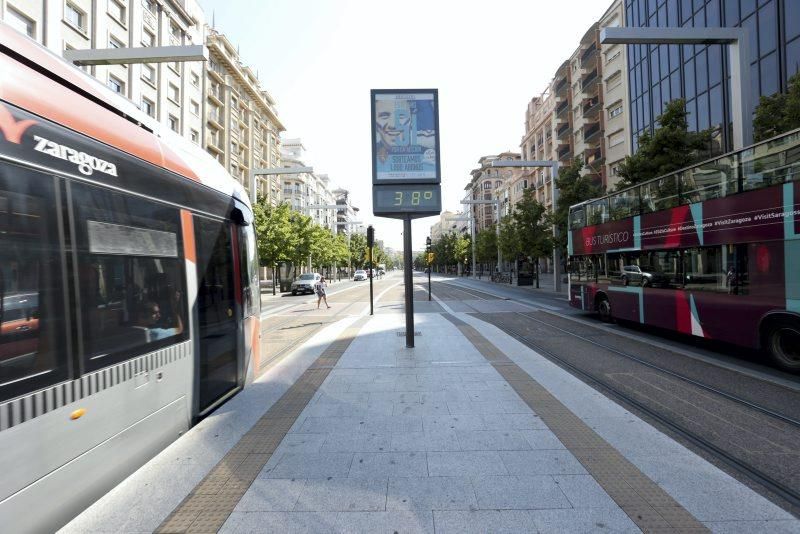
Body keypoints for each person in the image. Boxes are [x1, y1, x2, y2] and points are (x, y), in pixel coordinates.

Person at [374, 96, 436, 176]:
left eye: (401, 116)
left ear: (411, 119)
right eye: (384, 116)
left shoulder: (428, 156)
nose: (393, 125)